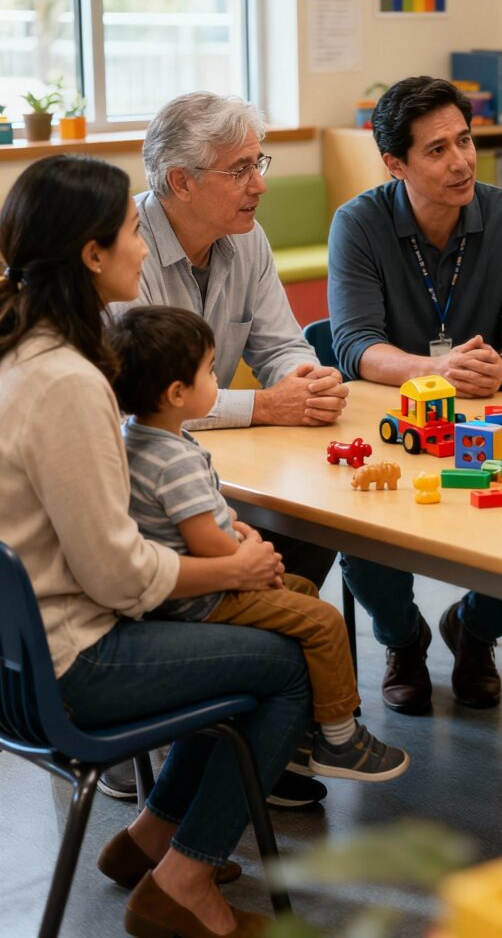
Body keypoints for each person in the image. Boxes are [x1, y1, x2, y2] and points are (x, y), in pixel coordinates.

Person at [0, 153, 307, 937]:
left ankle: (152, 836)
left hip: (20, 659)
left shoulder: (19, 355)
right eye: (134, 232)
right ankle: (185, 882)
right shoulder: (68, 383)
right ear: (91, 256)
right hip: (72, 667)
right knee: (283, 662)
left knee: (240, 629)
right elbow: (119, 576)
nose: (144, 247)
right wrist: (231, 565)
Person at [108, 90, 346, 806]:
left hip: (221, 458)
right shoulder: (130, 250)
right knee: (265, 566)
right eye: (241, 168)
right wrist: (267, 405)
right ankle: (183, 734)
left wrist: (305, 380)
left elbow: (279, 344)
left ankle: (259, 730)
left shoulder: (249, 237)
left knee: (313, 523)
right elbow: (146, 398)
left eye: (260, 162)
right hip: (145, 476)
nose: (261, 183)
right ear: (181, 182)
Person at [328, 76, 502, 714]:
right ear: (395, 163)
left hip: (495, 415)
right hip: (393, 417)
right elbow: (352, 343)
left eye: (464, 141)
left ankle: (476, 630)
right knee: (360, 525)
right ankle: (404, 641)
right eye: (436, 150)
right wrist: (425, 374)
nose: (460, 161)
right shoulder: (359, 223)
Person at [107, 304, 409, 784]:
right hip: (202, 601)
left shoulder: (136, 438)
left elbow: (188, 516)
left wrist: (230, 522)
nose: (220, 379)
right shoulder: (175, 458)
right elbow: (205, 542)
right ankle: (339, 739)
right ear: (177, 393)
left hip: (184, 589)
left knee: (302, 592)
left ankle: (298, 728)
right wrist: (246, 555)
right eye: (210, 372)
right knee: (325, 620)